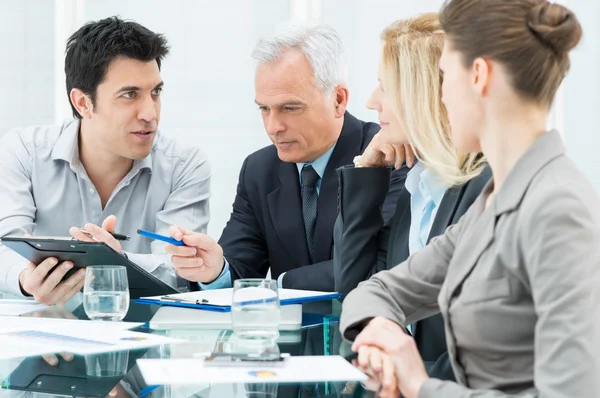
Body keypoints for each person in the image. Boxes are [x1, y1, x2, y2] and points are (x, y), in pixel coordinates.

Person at [340, 1, 600, 397]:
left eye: (443, 75)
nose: (439, 96)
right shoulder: (494, 202)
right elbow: (376, 291)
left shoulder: (556, 207)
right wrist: (385, 343)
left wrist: (419, 384)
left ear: (478, 76)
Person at [165, 24, 407, 292]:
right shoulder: (259, 170)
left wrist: (275, 286)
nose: (272, 127)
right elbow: (241, 265)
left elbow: (377, 267)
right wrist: (214, 270)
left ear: (338, 100)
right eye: (264, 109)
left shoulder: (387, 157)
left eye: (290, 108)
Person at [0, 17, 210, 304]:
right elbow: (3, 247)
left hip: (143, 336)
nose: (150, 113)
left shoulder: (185, 166)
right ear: (83, 103)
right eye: (129, 94)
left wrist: (118, 261)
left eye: (156, 92)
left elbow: (182, 269)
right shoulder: (23, 150)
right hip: (38, 331)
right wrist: (27, 279)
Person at [333, 13, 490, 383]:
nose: (372, 101)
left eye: (384, 87)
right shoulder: (418, 183)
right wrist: (366, 172)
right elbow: (354, 287)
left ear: (423, 95)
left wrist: (409, 379)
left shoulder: (486, 187)